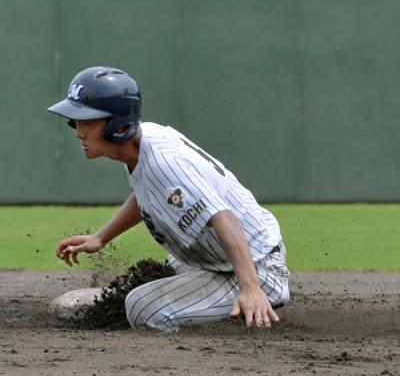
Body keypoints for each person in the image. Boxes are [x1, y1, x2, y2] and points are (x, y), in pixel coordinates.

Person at [49, 66, 289, 332]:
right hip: (215, 261)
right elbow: (148, 194)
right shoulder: (139, 144)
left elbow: (224, 217)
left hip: (255, 268)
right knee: (159, 276)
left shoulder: (164, 163)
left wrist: (251, 287)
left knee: (141, 308)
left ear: (118, 125)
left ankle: (249, 304)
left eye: (87, 123)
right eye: (75, 122)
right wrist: (100, 238)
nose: (78, 133)